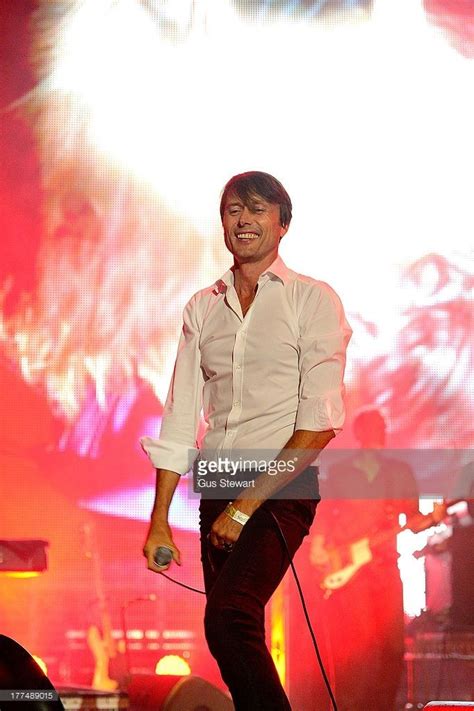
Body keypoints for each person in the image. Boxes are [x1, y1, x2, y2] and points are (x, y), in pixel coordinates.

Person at [140, 170, 352, 710]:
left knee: (233, 614)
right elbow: (180, 416)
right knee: (225, 630)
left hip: (281, 483)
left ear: (282, 225)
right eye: (234, 209)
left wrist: (243, 509)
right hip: (217, 482)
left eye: (257, 210)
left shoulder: (313, 300)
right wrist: (160, 517)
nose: (243, 220)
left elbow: (320, 422)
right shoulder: (202, 307)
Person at [309, 408, 448, 711]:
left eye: (381, 427)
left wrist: (434, 518)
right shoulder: (343, 472)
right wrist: (318, 545)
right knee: (357, 650)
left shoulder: (398, 472)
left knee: (391, 649)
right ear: (360, 434)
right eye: (372, 427)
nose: (377, 433)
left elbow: (412, 519)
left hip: (384, 568)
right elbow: (323, 514)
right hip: (348, 569)